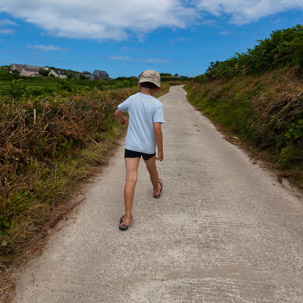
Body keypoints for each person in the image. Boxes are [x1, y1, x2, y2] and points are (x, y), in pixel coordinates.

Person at [114, 70, 164, 231]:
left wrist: (122, 120)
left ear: (139, 84)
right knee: (152, 171)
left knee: (131, 180)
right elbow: (157, 129)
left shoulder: (132, 99)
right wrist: (160, 150)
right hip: (148, 147)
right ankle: (157, 190)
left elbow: (117, 112)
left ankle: (127, 217)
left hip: (132, 146)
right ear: (157, 88)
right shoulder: (157, 104)